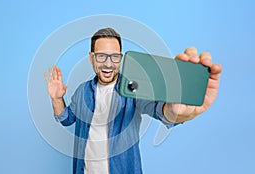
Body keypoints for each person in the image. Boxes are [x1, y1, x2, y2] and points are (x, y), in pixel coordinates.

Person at [44, 28, 222, 174]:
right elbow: (67, 118)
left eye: (114, 56)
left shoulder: (133, 89)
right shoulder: (82, 90)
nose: (108, 64)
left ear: (121, 58)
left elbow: (160, 111)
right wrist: (57, 98)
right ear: (92, 58)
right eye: (101, 56)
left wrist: (175, 112)